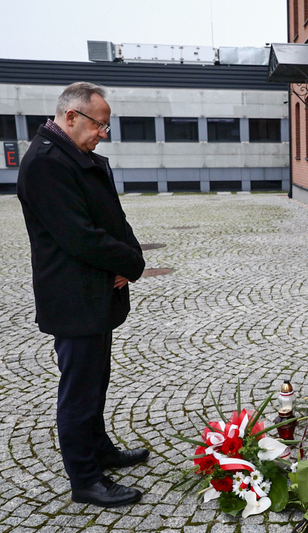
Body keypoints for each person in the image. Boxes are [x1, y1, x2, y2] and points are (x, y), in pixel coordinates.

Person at [17, 82, 149, 507]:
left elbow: (112, 216)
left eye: (106, 126)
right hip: (74, 296)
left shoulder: (78, 156)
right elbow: (80, 237)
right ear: (70, 116)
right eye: (100, 124)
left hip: (94, 292)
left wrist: (128, 256)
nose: (103, 133)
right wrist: (127, 262)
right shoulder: (45, 163)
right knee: (79, 389)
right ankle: (86, 479)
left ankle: (100, 450)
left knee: (95, 383)